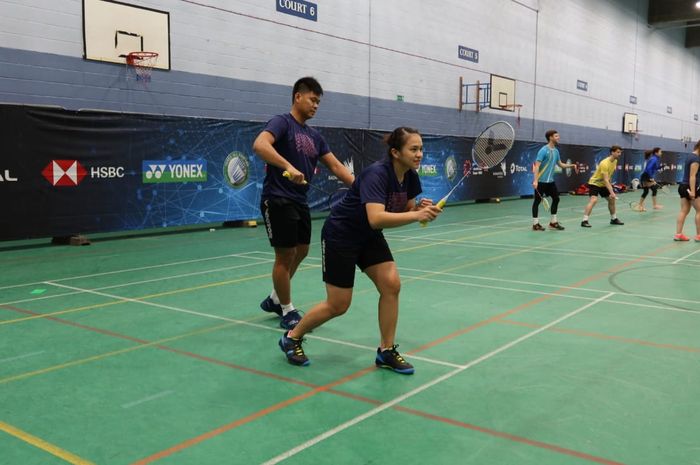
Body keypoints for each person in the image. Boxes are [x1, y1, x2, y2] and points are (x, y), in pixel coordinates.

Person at [278, 127, 442, 374]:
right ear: (396, 152)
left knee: (391, 284)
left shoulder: (410, 175)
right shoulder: (376, 174)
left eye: (421, 149)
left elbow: (402, 210)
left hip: (368, 236)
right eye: (414, 149)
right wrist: (416, 214)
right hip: (341, 235)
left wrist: (419, 207)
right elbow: (376, 218)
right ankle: (292, 336)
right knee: (338, 304)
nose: (419, 154)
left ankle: (386, 351)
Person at [253, 77, 354, 330]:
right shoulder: (282, 123)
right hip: (277, 198)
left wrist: (360, 186)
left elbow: (335, 165)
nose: (316, 105)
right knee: (284, 256)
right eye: (312, 99)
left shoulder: (315, 136)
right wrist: (288, 165)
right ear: (298, 96)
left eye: (318, 102)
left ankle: (276, 298)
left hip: (299, 200)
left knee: (302, 250)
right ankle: (287, 310)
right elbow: (260, 145)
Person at [531, 129, 578, 231]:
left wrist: (572, 165)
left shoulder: (556, 151)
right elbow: (537, 166)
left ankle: (553, 222)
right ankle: (535, 224)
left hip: (550, 182)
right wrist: (535, 181)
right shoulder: (543, 150)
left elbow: (560, 164)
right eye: (556, 136)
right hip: (541, 181)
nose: (558, 138)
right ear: (551, 137)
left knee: (556, 198)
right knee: (537, 201)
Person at [581, 146, 625, 227]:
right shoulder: (604, 163)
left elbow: (609, 175)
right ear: (612, 152)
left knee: (611, 200)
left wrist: (610, 185)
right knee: (594, 200)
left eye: (620, 152)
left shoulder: (615, 161)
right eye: (618, 152)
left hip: (603, 184)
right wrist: (612, 193)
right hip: (595, 183)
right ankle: (584, 220)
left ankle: (613, 219)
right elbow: (605, 179)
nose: (620, 154)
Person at [673, 141, 700, 241]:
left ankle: (678, 234)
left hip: (683, 186)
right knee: (699, 210)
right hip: (691, 187)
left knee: (684, 210)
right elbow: (692, 176)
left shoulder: (690, 156)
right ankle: (698, 236)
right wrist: (693, 191)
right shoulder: (696, 159)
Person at [637, 147, 663, 211]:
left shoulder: (655, 159)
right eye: (660, 152)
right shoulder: (654, 159)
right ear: (656, 153)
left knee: (652, 190)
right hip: (646, 176)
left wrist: (661, 166)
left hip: (647, 176)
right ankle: (640, 206)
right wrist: (650, 177)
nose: (661, 153)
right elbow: (648, 169)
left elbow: (655, 168)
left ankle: (654, 205)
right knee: (649, 191)